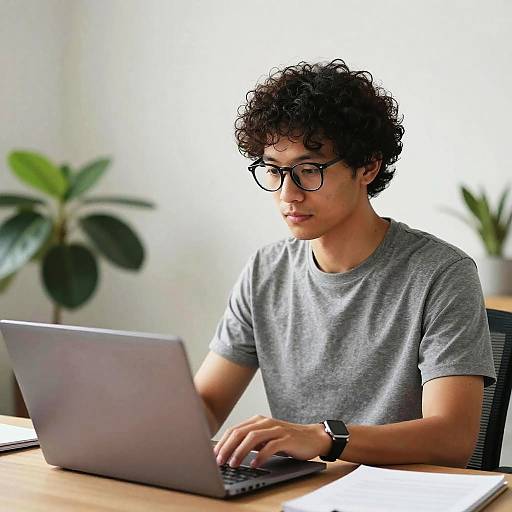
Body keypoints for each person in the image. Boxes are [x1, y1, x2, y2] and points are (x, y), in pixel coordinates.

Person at [194, 59, 495, 470]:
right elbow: (206, 404)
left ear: (367, 167)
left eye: (308, 170)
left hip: (396, 497)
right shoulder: (266, 271)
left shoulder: (441, 273)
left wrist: (322, 437)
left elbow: (451, 437)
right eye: (275, 171)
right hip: (297, 494)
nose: (288, 195)